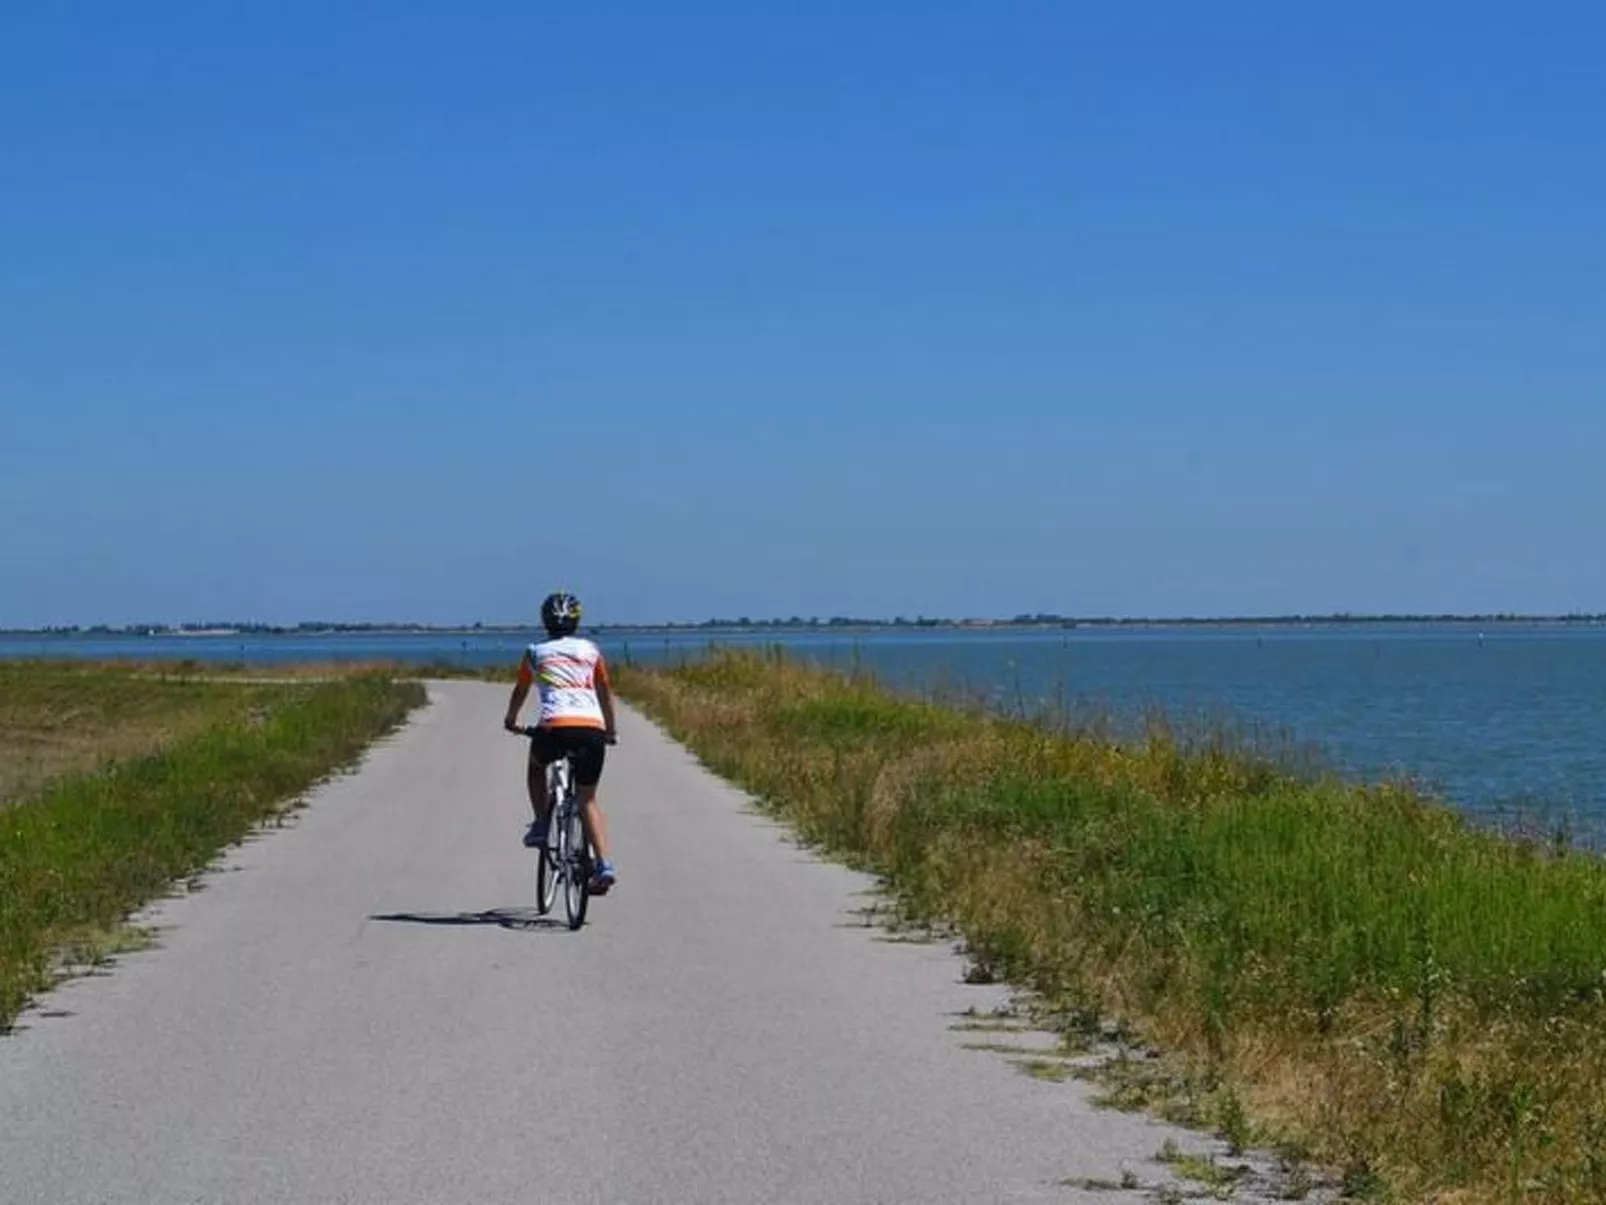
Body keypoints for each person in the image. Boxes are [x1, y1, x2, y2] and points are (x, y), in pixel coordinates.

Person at [502, 591, 619, 892]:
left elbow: (520, 691)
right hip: (591, 729)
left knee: (535, 767)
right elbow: (605, 692)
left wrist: (511, 720)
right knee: (588, 799)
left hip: (554, 728)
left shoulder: (535, 652)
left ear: (545, 621)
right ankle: (604, 864)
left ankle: (541, 824)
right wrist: (611, 730)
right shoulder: (591, 651)